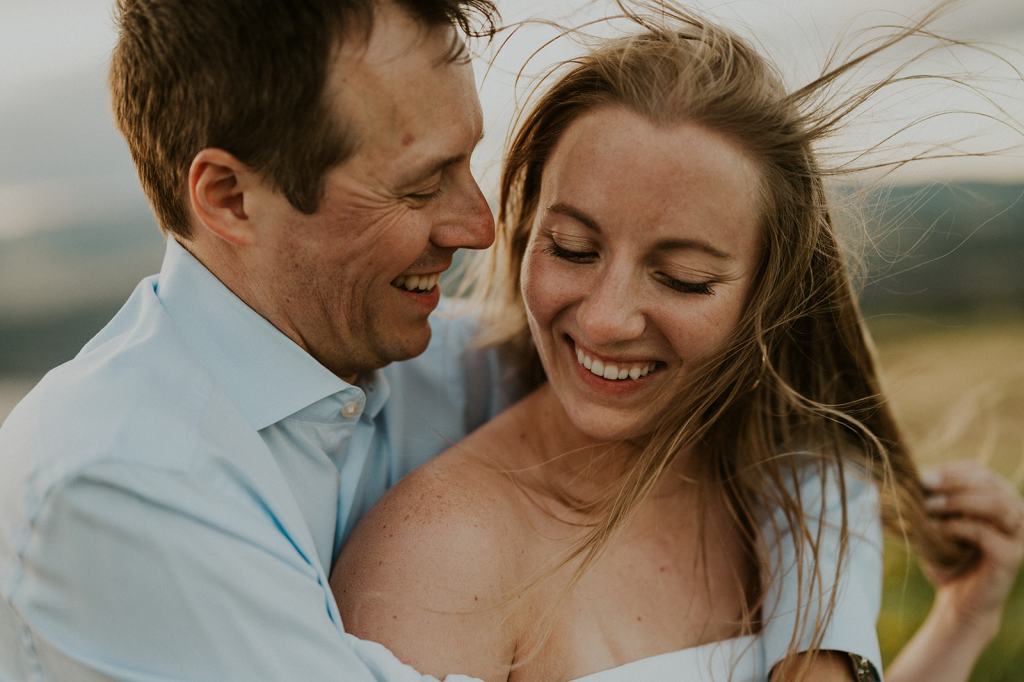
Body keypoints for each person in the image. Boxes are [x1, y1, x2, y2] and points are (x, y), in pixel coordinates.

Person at [332, 4, 1024, 681]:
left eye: (683, 279)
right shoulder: (441, 557)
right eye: (571, 248)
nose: (605, 321)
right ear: (522, 232)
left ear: (767, 296)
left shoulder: (777, 491)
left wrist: (964, 620)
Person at [0, 1, 513, 679]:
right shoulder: (115, 477)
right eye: (421, 187)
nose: (479, 227)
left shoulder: (459, 368)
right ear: (230, 198)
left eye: (471, 163)